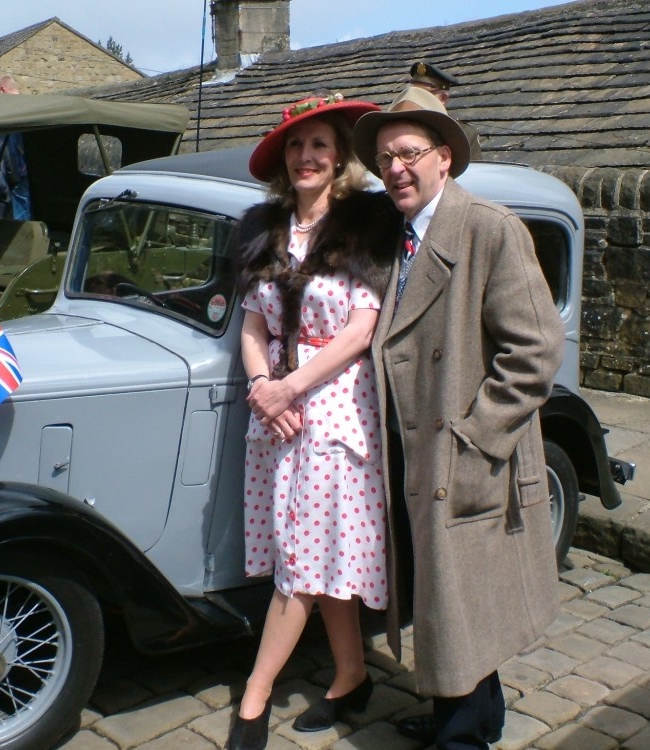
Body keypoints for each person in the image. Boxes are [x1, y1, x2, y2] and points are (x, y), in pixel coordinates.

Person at [351, 86, 564, 749]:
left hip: (465, 450)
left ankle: (461, 738)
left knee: (456, 601)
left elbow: (535, 352)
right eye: (385, 157)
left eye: (409, 153)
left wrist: (474, 441)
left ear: (444, 158)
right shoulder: (397, 237)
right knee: (452, 600)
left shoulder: (487, 229)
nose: (395, 169)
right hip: (415, 453)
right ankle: (473, 714)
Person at [226, 92, 399, 750]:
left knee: (300, 562)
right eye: (296, 146)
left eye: (319, 145)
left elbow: (361, 328)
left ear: (339, 158)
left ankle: (255, 697)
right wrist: (264, 385)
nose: (307, 156)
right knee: (320, 554)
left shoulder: (363, 226)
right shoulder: (262, 228)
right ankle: (352, 674)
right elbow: (252, 323)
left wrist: (292, 386)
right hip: (278, 415)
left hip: (332, 413)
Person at [403, 60, 482, 160]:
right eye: (412, 92)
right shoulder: (397, 128)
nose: (414, 98)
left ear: (443, 98)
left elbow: (474, 173)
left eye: (423, 94)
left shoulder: (463, 134)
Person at [0, 74, 31, 219]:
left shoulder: (14, 111)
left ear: (2, 90)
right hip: (24, 175)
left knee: (22, 221)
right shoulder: (30, 106)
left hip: (21, 176)